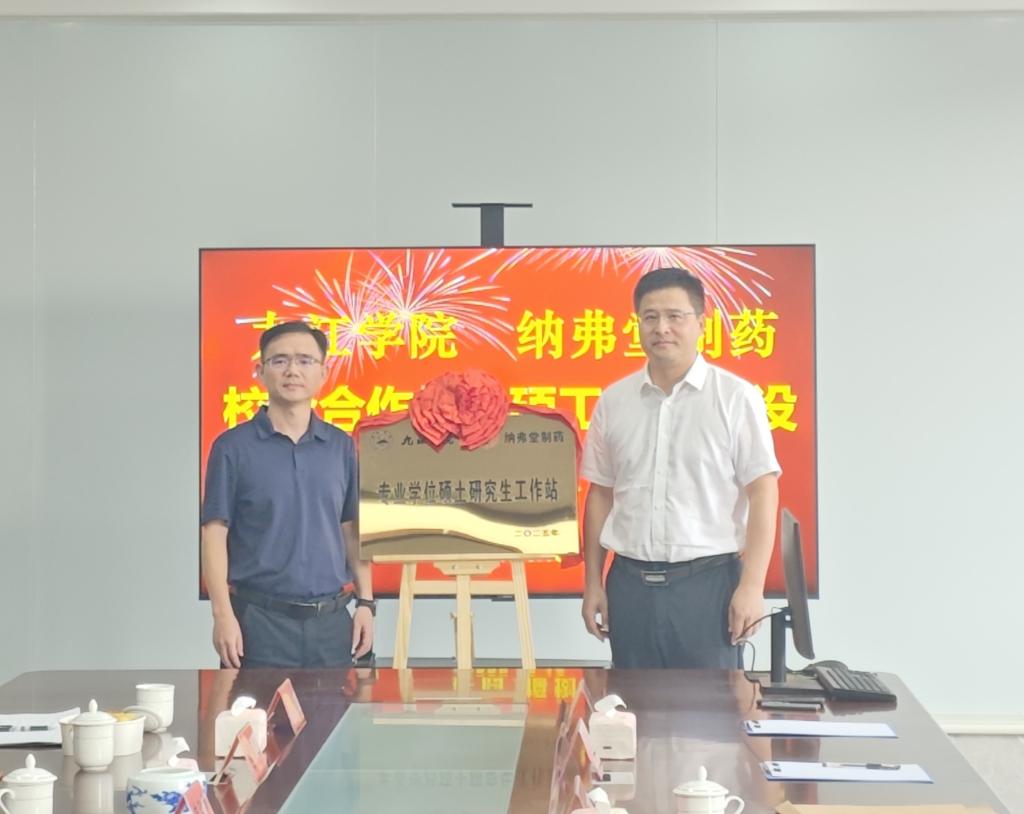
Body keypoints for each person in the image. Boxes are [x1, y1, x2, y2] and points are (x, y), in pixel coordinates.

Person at [580, 268, 780, 668]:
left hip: (708, 586)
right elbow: (600, 495)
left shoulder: (735, 397)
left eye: (675, 316)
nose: (662, 328)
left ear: (701, 323)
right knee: (632, 703)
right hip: (630, 587)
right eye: (650, 317)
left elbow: (763, 491)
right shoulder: (614, 401)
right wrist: (592, 584)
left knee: (712, 705)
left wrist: (752, 586)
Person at [201, 321, 374, 668]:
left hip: (331, 624)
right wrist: (222, 614)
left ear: (323, 373)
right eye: (279, 360)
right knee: (254, 707)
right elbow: (214, 533)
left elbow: (351, 528)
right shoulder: (233, 448)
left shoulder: (341, 447)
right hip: (258, 623)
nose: (293, 370)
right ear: (260, 372)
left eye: (305, 360)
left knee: (335, 706)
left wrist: (366, 604)